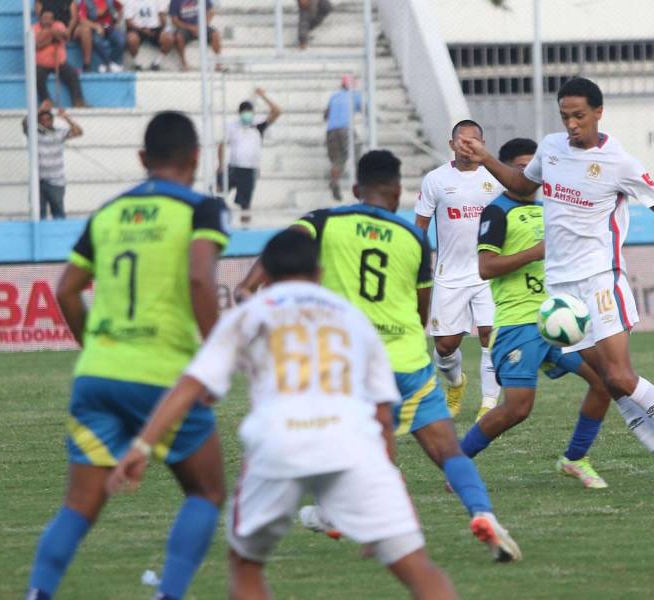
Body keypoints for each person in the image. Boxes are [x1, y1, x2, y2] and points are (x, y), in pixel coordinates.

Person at [108, 229, 458, 600]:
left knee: (245, 565)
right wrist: (385, 488)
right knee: (417, 567)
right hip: (352, 444)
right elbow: (382, 414)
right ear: (319, 273)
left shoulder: (251, 313)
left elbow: (190, 386)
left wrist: (142, 446)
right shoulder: (354, 318)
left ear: (267, 277)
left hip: (278, 442)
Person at [236, 150, 523, 562]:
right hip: (407, 360)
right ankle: (483, 513)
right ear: (397, 191)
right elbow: (421, 311)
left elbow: (278, 253)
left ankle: (349, 513)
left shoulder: (324, 221)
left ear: (356, 188)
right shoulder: (413, 238)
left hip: (348, 363)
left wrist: (252, 293)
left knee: (337, 445)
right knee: (448, 451)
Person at [459, 77, 654, 495]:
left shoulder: (619, 162)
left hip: (601, 281)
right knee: (610, 381)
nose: (571, 124)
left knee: (620, 376)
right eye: (565, 116)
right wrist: (485, 159)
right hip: (561, 294)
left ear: (598, 113)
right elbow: (521, 185)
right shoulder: (551, 148)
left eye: (579, 116)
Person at [25, 111, 230, 600]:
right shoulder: (202, 209)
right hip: (163, 377)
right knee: (207, 492)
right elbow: (200, 277)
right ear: (196, 157)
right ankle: (169, 594)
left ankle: (37, 593)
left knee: (79, 506)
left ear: (142, 159)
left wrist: (96, 349)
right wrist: (218, 358)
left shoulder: (108, 212)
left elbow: (66, 290)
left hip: (97, 374)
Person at [415, 120, 503, 422]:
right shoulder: (436, 180)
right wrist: (416, 266)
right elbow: (420, 228)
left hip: (488, 272)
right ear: (451, 144)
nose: (467, 146)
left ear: (482, 144)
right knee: (445, 346)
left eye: (473, 141)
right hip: (450, 273)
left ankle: (489, 403)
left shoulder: (496, 177)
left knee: (490, 335)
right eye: (461, 141)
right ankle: (455, 383)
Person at [217, 88, 282, 224]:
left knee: (245, 205)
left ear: (253, 113)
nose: (247, 114)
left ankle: (245, 228)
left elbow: (277, 111)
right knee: (218, 192)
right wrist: (220, 165)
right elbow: (222, 144)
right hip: (233, 167)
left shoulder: (258, 126)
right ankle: (219, 221)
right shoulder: (232, 126)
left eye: (249, 111)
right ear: (239, 113)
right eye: (244, 112)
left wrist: (263, 96)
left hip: (249, 169)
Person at [22, 101, 84, 220]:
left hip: (56, 182)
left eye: (48, 120)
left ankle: (60, 232)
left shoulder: (59, 133)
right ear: (38, 122)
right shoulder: (33, 134)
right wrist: (40, 109)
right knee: (39, 215)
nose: (45, 122)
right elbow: (25, 123)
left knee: (58, 213)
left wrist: (66, 118)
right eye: (42, 120)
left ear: (52, 120)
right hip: (38, 182)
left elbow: (78, 132)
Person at [34, 10, 87, 108]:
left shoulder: (59, 25)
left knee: (72, 74)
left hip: (60, 63)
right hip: (42, 65)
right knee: (37, 77)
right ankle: (46, 101)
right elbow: (37, 45)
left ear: (53, 20)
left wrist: (49, 35)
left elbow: (65, 36)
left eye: (49, 18)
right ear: (40, 19)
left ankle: (78, 101)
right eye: (44, 18)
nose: (46, 21)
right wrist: (51, 36)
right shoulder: (34, 28)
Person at [324, 75, 361, 201]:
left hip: (331, 131)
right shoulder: (354, 95)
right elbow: (365, 109)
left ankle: (334, 181)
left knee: (337, 161)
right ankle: (361, 183)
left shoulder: (334, 96)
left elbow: (326, 115)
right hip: (346, 129)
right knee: (357, 153)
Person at [169, 0, 222, 71]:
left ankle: (219, 63)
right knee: (179, 36)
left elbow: (211, 12)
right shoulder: (175, 1)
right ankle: (183, 63)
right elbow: (175, 20)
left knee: (215, 34)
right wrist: (191, 28)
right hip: (185, 28)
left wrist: (202, 25)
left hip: (202, 26)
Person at [75, 0, 126, 73]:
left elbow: (120, 8)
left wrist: (117, 23)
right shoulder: (85, 2)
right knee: (96, 40)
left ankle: (108, 64)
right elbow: (82, 20)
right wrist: (95, 26)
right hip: (95, 29)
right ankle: (110, 64)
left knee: (121, 41)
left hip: (109, 27)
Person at [124, 0, 174, 70]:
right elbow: (128, 22)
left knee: (169, 38)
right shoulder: (130, 1)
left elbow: (162, 15)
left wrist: (163, 28)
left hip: (155, 29)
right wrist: (142, 30)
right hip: (138, 29)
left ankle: (156, 63)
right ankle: (137, 64)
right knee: (131, 39)